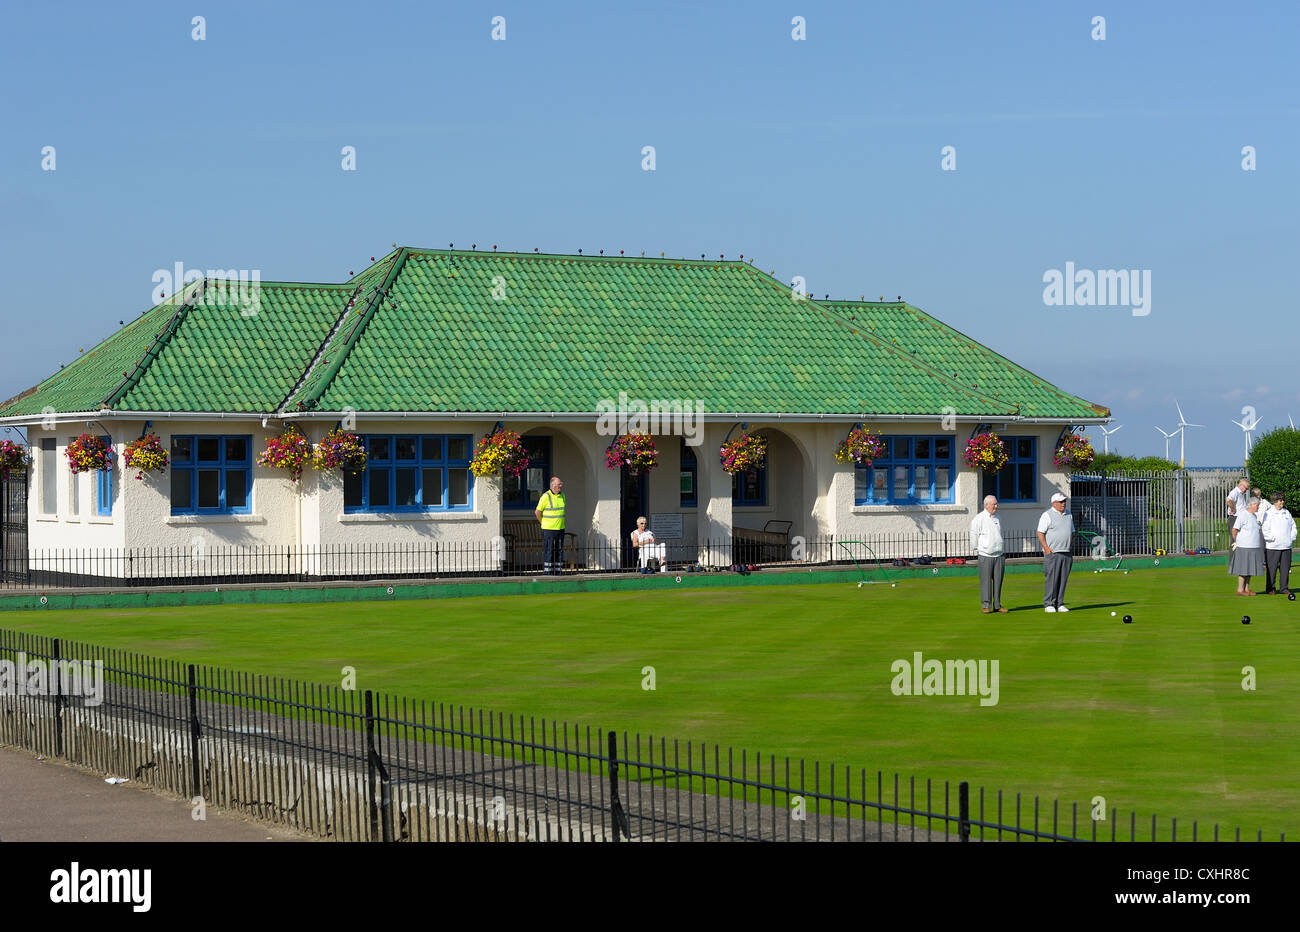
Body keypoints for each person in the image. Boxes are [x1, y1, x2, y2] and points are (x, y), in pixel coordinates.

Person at [1037, 492, 1075, 613]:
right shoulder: (1047, 515)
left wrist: (1069, 544)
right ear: (1054, 503)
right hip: (1053, 553)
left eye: (1064, 501)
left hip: (1066, 552)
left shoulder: (1068, 514)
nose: (1063, 504)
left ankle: (1060, 603)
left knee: (1063, 579)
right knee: (1052, 579)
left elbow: (1072, 531)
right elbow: (1040, 533)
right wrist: (1046, 548)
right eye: (1061, 502)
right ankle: (1049, 603)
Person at [970, 495, 1006, 613]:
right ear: (986, 505)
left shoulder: (999, 517)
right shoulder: (979, 518)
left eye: (996, 504)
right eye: (994, 504)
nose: (996, 506)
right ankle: (986, 605)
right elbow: (974, 535)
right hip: (985, 555)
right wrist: (978, 549)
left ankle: (997, 605)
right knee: (985, 581)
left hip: (999, 554)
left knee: (998, 581)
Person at [1261, 493, 1296, 594]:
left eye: (1283, 500)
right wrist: (1271, 538)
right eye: (1280, 500)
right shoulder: (1268, 513)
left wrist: (1291, 538)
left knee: (1285, 568)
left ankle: (1284, 588)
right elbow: (1265, 528)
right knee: (1271, 569)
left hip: (1286, 545)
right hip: (1273, 546)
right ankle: (1270, 588)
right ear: (1275, 501)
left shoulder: (1286, 512)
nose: (1282, 502)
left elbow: (1293, 526)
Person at [1229, 497, 1265, 595]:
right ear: (1252, 505)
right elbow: (1234, 530)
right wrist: (1238, 541)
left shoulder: (1254, 516)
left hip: (1254, 547)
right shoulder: (1243, 515)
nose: (1259, 507)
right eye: (1257, 505)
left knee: (1250, 569)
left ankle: (1246, 589)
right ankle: (1240, 590)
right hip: (1244, 547)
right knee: (1243, 569)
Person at [534, 476, 566, 575]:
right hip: (549, 529)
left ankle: (558, 571)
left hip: (560, 528)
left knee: (559, 550)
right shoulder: (545, 496)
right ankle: (548, 573)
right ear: (553, 486)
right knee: (550, 551)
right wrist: (543, 523)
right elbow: (537, 512)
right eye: (559, 484)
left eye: (561, 484)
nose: (561, 486)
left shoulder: (562, 496)